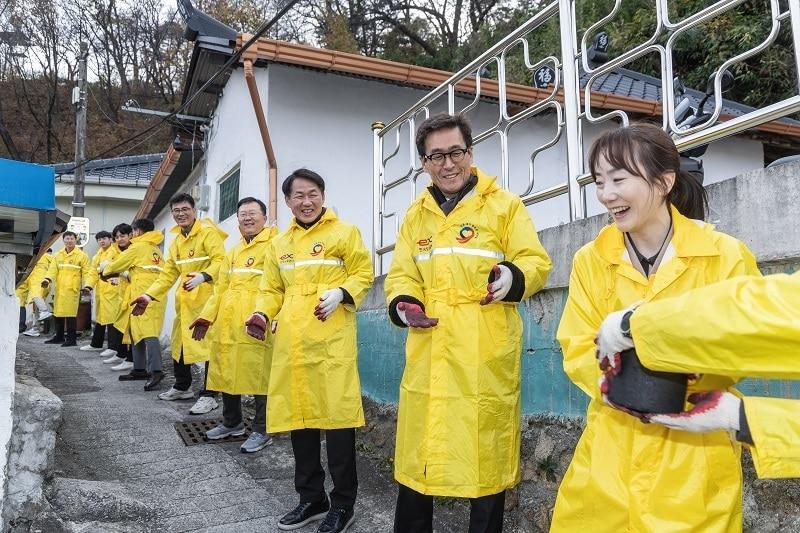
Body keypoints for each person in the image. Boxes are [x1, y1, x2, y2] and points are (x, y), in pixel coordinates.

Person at [552, 123, 761, 532]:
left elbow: (742, 344)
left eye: (619, 178)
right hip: (611, 450)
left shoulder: (723, 255)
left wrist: (669, 379)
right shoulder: (591, 261)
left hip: (692, 456)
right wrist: (621, 391)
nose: (607, 194)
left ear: (664, 181)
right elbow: (577, 344)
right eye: (599, 181)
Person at [384, 113, 552, 533]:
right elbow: (402, 274)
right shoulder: (415, 216)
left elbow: (535, 261)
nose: (448, 164)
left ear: (471, 152)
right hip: (430, 344)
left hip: (483, 346)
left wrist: (512, 277)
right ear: (424, 163)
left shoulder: (504, 206)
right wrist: (405, 304)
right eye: (435, 155)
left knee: (484, 462)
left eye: (455, 152)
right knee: (419, 457)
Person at [246, 169, 373, 533]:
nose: (306, 201)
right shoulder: (279, 244)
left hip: (331, 342)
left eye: (313, 193)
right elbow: (271, 288)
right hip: (292, 344)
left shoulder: (344, 233)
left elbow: (364, 272)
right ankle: (311, 498)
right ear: (287, 202)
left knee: (337, 424)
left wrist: (342, 293)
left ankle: (344, 503)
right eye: (298, 195)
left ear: (322, 195)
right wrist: (260, 312)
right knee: (299, 422)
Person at [595, 270, 800, 479]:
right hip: (609, 465)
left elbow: (772, 312)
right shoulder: (592, 259)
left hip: (694, 473)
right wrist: (741, 417)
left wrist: (638, 326)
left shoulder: (725, 252)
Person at [193, 197, 277, 453]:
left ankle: (263, 429)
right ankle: (232, 422)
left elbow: (279, 287)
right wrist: (207, 316)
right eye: (243, 214)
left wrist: (272, 316)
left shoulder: (275, 245)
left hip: (257, 320)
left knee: (260, 375)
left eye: (253, 213)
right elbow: (220, 288)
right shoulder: (233, 251)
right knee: (226, 371)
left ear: (265, 217)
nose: (247, 218)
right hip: (228, 323)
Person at [132, 192, 227, 415]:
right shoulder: (177, 242)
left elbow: (221, 261)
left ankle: (210, 394)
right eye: (176, 211)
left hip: (207, 301)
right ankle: (182, 386)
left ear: (194, 211)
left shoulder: (207, 234)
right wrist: (148, 295)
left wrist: (203, 276)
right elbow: (167, 275)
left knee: (209, 348)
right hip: (185, 303)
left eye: (185, 209)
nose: (181, 214)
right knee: (180, 344)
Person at [102, 218, 167, 390]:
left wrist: (105, 270)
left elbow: (117, 263)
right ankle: (139, 369)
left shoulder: (138, 247)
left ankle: (156, 370)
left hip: (144, 294)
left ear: (137, 231)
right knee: (135, 329)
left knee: (148, 332)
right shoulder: (156, 249)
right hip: (153, 294)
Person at [42, 231, 92, 347]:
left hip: (72, 290)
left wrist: (87, 285)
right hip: (60, 289)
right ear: (63, 240)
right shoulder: (58, 255)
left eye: (71, 239)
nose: (69, 241)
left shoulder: (81, 256)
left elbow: (87, 272)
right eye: (67, 239)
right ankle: (59, 337)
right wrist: (47, 279)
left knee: (71, 315)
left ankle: (71, 339)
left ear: (76, 240)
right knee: (58, 313)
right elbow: (52, 270)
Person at [81, 231, 120, 353]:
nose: (101, 241)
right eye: (99, 239)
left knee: (111, 319)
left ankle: (113, 347)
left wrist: (103, 268)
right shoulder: (98, 255)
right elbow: (93, 272)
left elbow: (117, 267)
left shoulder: (116, 251)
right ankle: (96, 344)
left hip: (114, 289)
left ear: (110, 239)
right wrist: (88, 286)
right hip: (101, 290)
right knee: (100, 318)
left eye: (104, 238)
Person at [102, 224, 134, 370]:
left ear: (130, 235)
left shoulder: (135, 249)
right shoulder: (115, 250)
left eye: (122, 236)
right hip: (121, 292)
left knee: (132, 328)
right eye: (117, 237)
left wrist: (123, 273)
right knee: (121, 325)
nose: (120, 239)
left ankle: (131, 359)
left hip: (134, 292)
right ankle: (121, 354)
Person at [20, 249, 54, 337]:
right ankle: (35, 328)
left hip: (40, 282)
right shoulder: (34, 258)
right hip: (39, 283)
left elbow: (56, 263)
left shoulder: (45, 256)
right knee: (35, 305)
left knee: (36, 297)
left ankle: (44, 310)